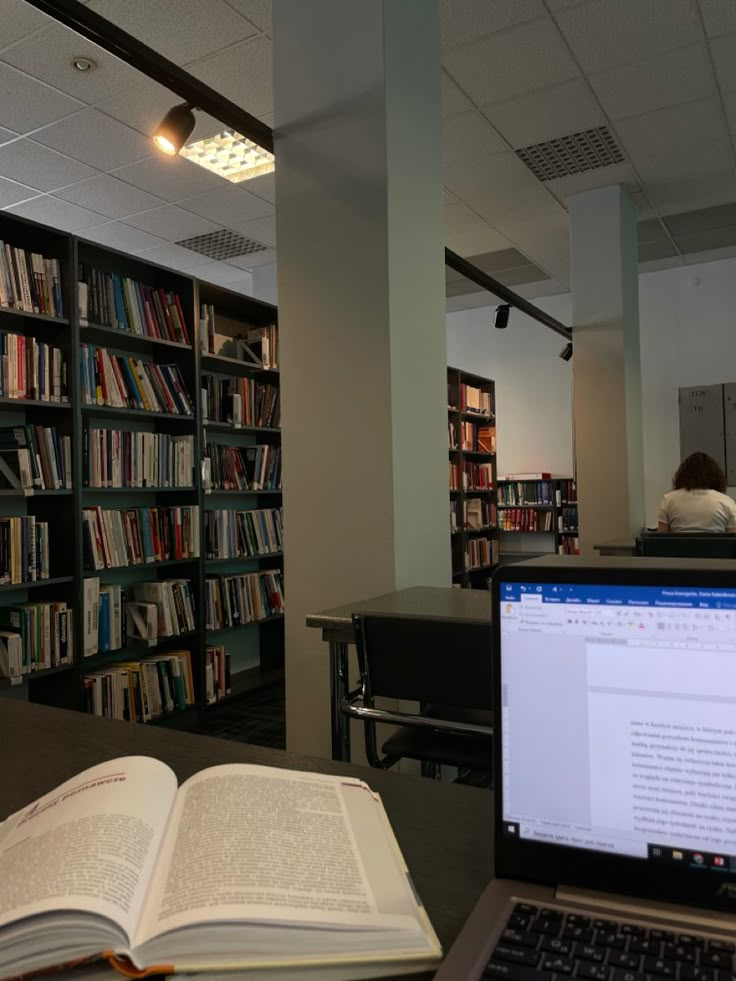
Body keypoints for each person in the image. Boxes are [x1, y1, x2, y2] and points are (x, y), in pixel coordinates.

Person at [657, 451, 736, 533]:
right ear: (717, 478)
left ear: (682, 476)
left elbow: (660, 540)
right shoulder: (727, 502)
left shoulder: (668, 500)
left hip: (680, 546)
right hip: (715, 546)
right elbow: (732, 541)